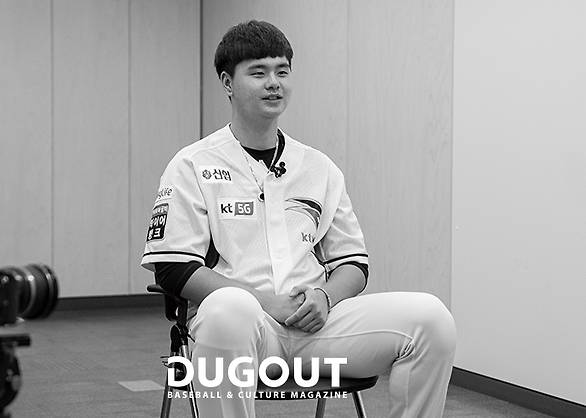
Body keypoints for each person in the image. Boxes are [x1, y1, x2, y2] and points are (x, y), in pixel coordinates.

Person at [142, 20, 456, 418]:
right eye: (258, 72)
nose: (274, 83)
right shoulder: (192, 164)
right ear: (227, 82)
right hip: (245, 331)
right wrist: (265, 303)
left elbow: (353, 263)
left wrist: (325, 297)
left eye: (282, 71)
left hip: (316, 329)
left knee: (431, 319)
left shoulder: (318, 167)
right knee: (228, 309)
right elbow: (172, 267)